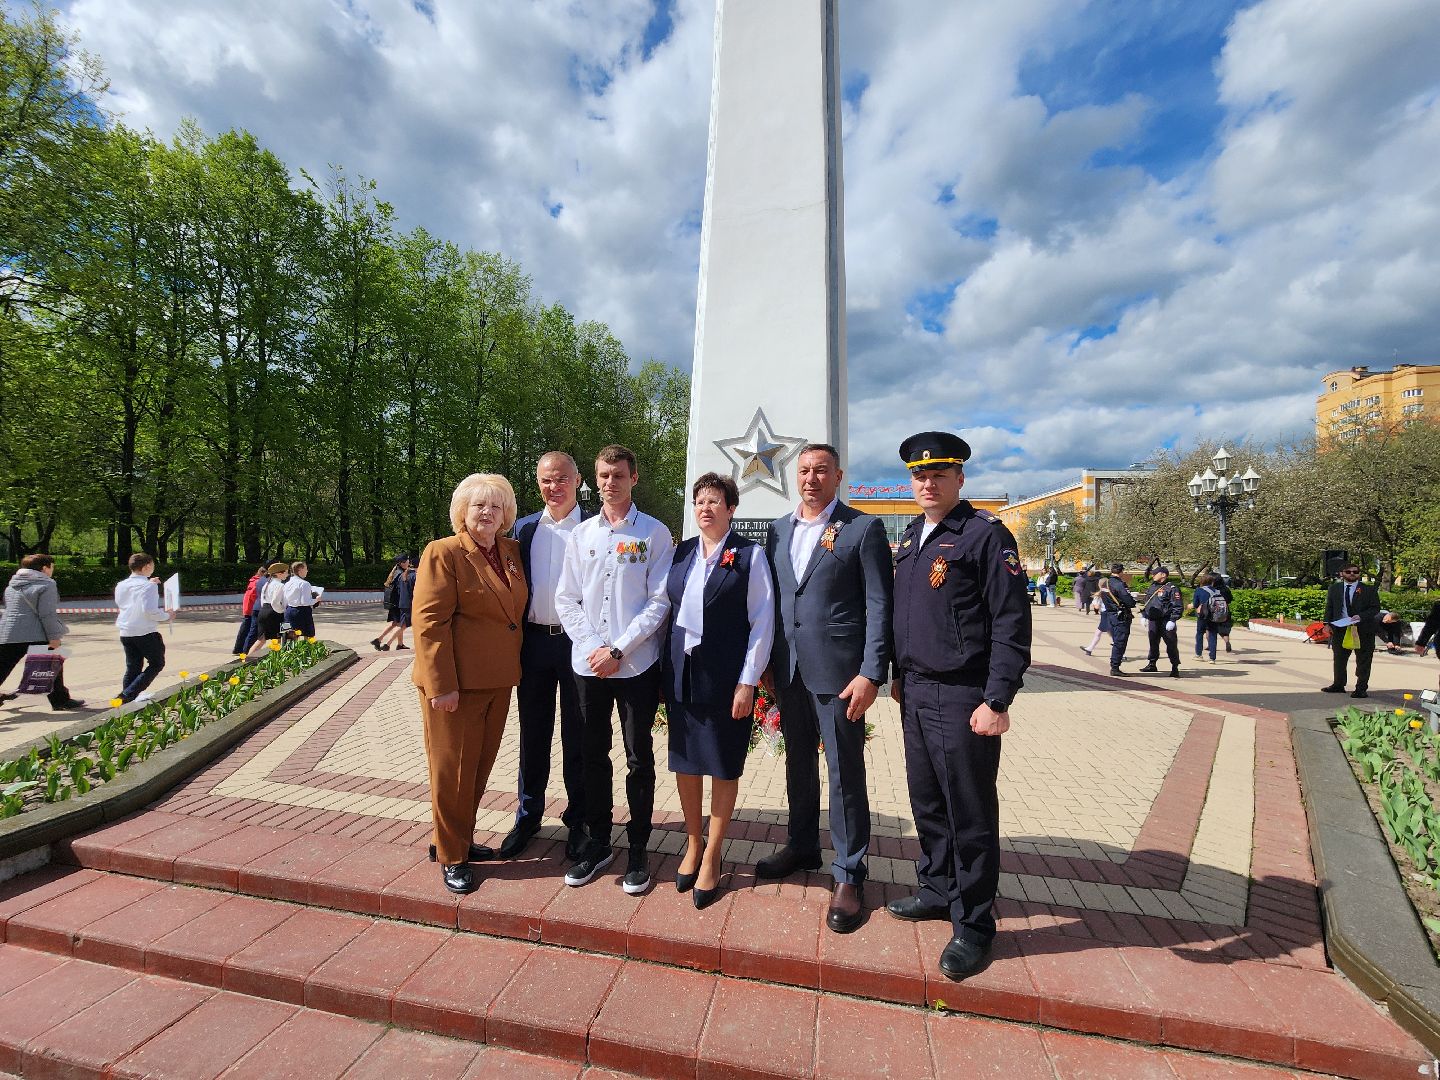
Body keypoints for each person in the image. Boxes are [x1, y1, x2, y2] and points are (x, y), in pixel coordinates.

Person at [885, 431, 1031, 980]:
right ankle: (938, 889)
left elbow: (1012, 622)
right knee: (927, 800)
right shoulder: (914, 539)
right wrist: (900, 676)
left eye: (938, 475)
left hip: (965, 695)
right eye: (919, 475)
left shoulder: (984, 535)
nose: (927, 482)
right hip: (917, 691)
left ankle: (973, 924)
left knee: (968, 811)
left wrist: (997, 698)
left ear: (960, 479)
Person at [758, 442, 893, 936]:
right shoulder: (777, 530)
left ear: (839, 476)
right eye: (805, 471)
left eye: (822, 471)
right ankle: (801, 844)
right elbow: (774, 600)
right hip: (788, 671)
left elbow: (880, 605)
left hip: (839, 676)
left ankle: (849, 872)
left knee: (843, 773)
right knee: (796, 760)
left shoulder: (862, 528)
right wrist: (767, 661)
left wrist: (872, 672)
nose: (811, 478)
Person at [555, 445, 674, 894]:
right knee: (591, 756)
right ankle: (600, 841)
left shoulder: (654, 534)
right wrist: (592, 648)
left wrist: (619, 650)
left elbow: (659, 602)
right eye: (603, 475)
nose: (610, 482)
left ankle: (639, 847)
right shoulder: (581, 534)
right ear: (595, 479)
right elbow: (566, 598)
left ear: (634, 478)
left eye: (619, 475)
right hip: (588, 668)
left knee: (638, 757)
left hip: (635, 667)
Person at [663, 472, 775, 909]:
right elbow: (664, 610)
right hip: (681, 675)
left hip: (727, 680)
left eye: (714, 502)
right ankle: (692, 843)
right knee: (686, 762)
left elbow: (762, 622)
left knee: (724, 765)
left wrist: (748, 680)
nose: (705, 509)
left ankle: (714, 851)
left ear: (731, 509)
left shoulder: (749, 555)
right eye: (699, 502)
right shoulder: (683, 552)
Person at [412, 473, 528, 894]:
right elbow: (428, 622)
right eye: (479, 505)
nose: (487, 513)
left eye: (496, 506)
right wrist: (441, 684)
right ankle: (452, 856)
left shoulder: (510, 551)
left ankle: (454, 838)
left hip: (498, 682)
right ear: (463, 510)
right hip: (455, 687)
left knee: (476, 771)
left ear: (506, 514)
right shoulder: (443, 552)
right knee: (451, 773)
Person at [501, 451, 592, 861]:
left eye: (560, 479)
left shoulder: (595, 526)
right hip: (535, 643)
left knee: (579, 736)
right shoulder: (524, 530)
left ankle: (580, 820)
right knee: (532, 734)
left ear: (577, 480)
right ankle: (528, 814)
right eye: (544, 481)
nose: (552, 488)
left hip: (578, 644)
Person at [0, 554, 85, 710]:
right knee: (53, 665)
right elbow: (47, 614)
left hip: (8, 632)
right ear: (45, 568)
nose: (52, 570)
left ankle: (60, 699)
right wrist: (54, 637)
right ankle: (60, 701)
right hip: (37, 632)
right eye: (52, 566)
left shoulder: (12, 584)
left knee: (3, 666)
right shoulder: (47, 584)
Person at [115, 553, 174, 704]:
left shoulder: (121, 585)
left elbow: (126, 601)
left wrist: (149, 583)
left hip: (126, 630)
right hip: (144, 631)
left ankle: (127, 698)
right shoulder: (149, 586)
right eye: (152, 565)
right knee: (157, 663)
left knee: (133, 665)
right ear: (147, 566)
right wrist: (167, 616)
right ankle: (128, 694)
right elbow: (150, 611)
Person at [1321, 561, 1380, 699]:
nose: (1352, 574)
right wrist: (1326, 624)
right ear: (1342, 574)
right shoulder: (1334, 588)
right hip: (1340, 628)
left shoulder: (1368, 589)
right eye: (1348, 572)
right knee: (1339, 658)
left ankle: (1361, 688)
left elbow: (1375, 608)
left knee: (1363, 660)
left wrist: (1361, 616)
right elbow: (1329, 607)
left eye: (1355, 572)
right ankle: (1338, 685)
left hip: (1363, 629)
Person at [1138, 566, 1183, 678]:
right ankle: (1152, 663)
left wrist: (1173, 620)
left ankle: (1174, 666)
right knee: (1153, 642)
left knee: (1171, 644)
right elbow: (1147, 602)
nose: (1153, 575)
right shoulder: (1153, 586)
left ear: (1163, 575)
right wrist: (1144, 615)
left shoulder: (1172, 588)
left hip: (1166, 620)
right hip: (1153, 619)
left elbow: (1177, 605)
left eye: (1155, 573)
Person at [247, 562, 290, 656]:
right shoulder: (280, 585)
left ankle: (246, 660)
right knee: (278, 638)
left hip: (264, 611)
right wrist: (282, 611)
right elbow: (275, 602)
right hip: (274, 612)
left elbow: (262, 599)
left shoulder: (267, 584)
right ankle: (275, 659)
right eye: (286, 572)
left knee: (261, 639)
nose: (288, 575)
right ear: (279, 573)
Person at [1101, 563, 1136, 675]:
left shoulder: (1105, 583)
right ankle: (1115, 667)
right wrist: (1133, 601)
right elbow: (1128, 601)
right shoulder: (1120, 584)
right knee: (1120, 642)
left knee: (1116, 640)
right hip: (1120, 616)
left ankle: (1114, 665)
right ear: (1121, 572)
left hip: (1110, 614)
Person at [373, 554, 413, 651]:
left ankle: (393, 643)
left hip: (395, 603)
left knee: (396, 623)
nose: (409, 562)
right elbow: (403, 590)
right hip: (398, 604)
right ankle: (386, 643)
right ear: (402, 562)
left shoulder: (396, 572)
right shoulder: (400, 574)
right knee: (401, 624)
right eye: (407, 560)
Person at [1189, 572, 1225, 663]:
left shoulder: (1199, 590)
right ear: (1212, 582)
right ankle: (1212, 658)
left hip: (1203, 615)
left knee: (1200, 633)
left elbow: (1196, 604)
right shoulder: (1217, 591)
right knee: (1213, 635)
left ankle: (1198, 654)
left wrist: (1191, 606)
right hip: (1215, 615)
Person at [233, 564, 266, 655]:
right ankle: (245, 650)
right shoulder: (258, 582)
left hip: (248, 608)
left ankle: (238, 649)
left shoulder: (253, 580)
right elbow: (253, 596)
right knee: (250, 631)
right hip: (252, 609)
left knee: (245, 629)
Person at [283, 561, 320, 639]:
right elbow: (305, 602)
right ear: (300, 570)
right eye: (306, 569)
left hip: (288, 611)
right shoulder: (304, 584)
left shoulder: (287, 583)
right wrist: (316, 600)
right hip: (302, 612)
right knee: (308, 635)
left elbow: (284, 600)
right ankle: (308, 651)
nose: (307, 571)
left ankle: (288, 651)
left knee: (289, 636)